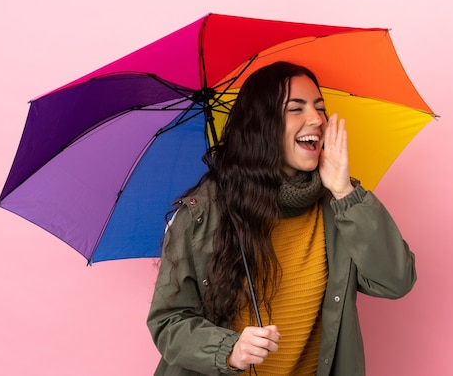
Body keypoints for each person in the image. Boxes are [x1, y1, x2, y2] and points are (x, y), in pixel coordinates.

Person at [146, 61, 417, 376]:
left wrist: (345, 191)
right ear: (262, 124)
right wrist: (228, 349)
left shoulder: (340, 203)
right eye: (296, 109)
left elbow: (396, 280)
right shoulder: (203, 212)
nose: (316, 119)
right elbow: (168, 322)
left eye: (320, 108)